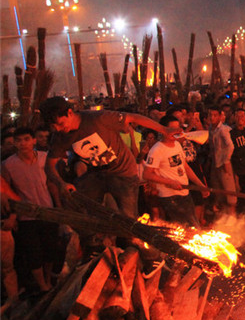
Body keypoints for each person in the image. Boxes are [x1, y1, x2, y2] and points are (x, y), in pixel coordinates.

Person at [40, 96, 173, 217]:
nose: (58, 129)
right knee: (83, 208)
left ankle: (133, 241)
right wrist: (61, 183)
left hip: (123, 172)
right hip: (95, 174)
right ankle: (95, 240)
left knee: (128, 216)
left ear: (69, 113)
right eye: (53, 126)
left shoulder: (98, 118)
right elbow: (49, 165)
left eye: (61, 124)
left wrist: (164, 130)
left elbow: (133, 117)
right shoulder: (59, 137)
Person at [1, 127, 60, 293]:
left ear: (33, 140)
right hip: (26, 216)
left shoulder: (44, 159)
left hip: (47, 210)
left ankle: (48, 280)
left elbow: (52, 184)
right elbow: (8, 192)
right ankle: (43, 286)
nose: (22, 144)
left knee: (50, 250)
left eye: (26, 139)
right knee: (34, 253)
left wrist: (58, 208)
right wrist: (13, 215)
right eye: (18, 141)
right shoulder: (8, 165)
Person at [143, 115, 208, 225]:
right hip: (170, 196)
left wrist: (200, 185)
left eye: (178, 128)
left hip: (184, 193)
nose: (177, 131)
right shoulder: (157, 149)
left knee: (193, 226)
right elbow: (147, 174)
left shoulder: (177, 145)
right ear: (164, 130)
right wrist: (170, 182)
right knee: (186, 229)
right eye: (172, 129)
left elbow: (185, 167)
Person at [206, 106, 237, 216]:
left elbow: (230, 146)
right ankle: (223, 216)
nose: (212, 117)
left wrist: (226, 160)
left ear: (220, 116)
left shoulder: (223, 129)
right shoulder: (211, 129)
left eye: (215, 115)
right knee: (218, 190)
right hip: (215, 163)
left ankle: (232, 217)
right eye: (210, 115)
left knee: (229, 191)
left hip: (223, 163)